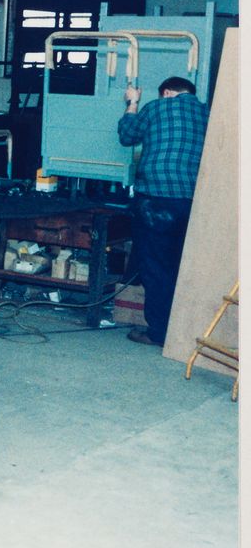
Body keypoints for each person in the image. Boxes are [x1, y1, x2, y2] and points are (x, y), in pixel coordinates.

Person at [117, 74, 209, 347]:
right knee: (183, 264)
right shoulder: (208, 112)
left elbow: (127, 135)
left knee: (157, 267)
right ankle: (185, 330)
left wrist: (132, 102)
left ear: (167, 93)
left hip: (156, 199)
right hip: (194, 200)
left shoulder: (157, 107)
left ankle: (158, 333)